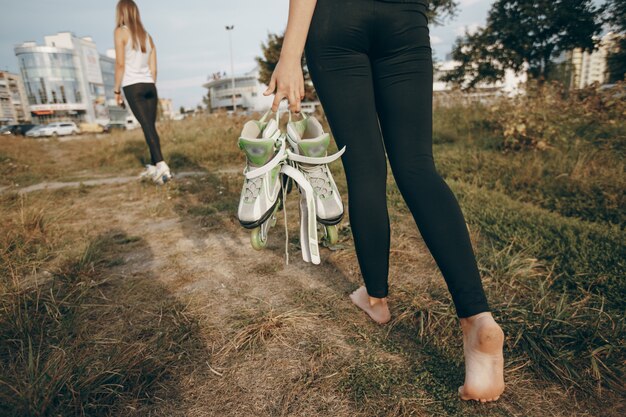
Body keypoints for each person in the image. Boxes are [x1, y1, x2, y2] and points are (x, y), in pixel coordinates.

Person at [264, 0, 505, 402]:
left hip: (337, 21)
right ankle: (476, 315)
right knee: (417, 167)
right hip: (404, 18)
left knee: (364, 168)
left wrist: (290, 55)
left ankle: (376, 298)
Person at [114, 0, 172, 184]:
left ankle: (162, 166)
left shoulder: (120, 32)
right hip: (149, 86)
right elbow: (154, 69)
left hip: (133, 86)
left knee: (147, 127)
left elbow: (120, 64)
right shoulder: (148, 36)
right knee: (150, 126)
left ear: (121, 13)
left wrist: (116, 91)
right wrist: (149, 83)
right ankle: (155, 166)